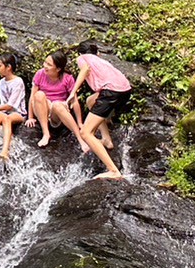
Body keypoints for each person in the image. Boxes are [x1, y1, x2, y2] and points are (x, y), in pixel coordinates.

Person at [27, 50, 124, 179]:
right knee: (39, 95)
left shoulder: (67, 78)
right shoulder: (40, 74)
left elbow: (75, 101)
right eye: (45, 62)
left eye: (49, 64)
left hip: (58, 111)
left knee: (58, 104)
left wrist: (80, 122)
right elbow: (32, 98)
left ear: (58, 68)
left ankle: (80, 138)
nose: (45, 66)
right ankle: (46, 133)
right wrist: (30, 117)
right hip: (42, 108)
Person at [69, 41, 133, 154]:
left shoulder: (82, 58)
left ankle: (113, 170)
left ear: (80, 53)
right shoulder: (102, 61)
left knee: (86, 132)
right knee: (90, 101)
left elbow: (84, 70)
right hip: (126, 90)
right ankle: (106, 138)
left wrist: (72, 92)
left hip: (111, 92)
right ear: (97, 53)